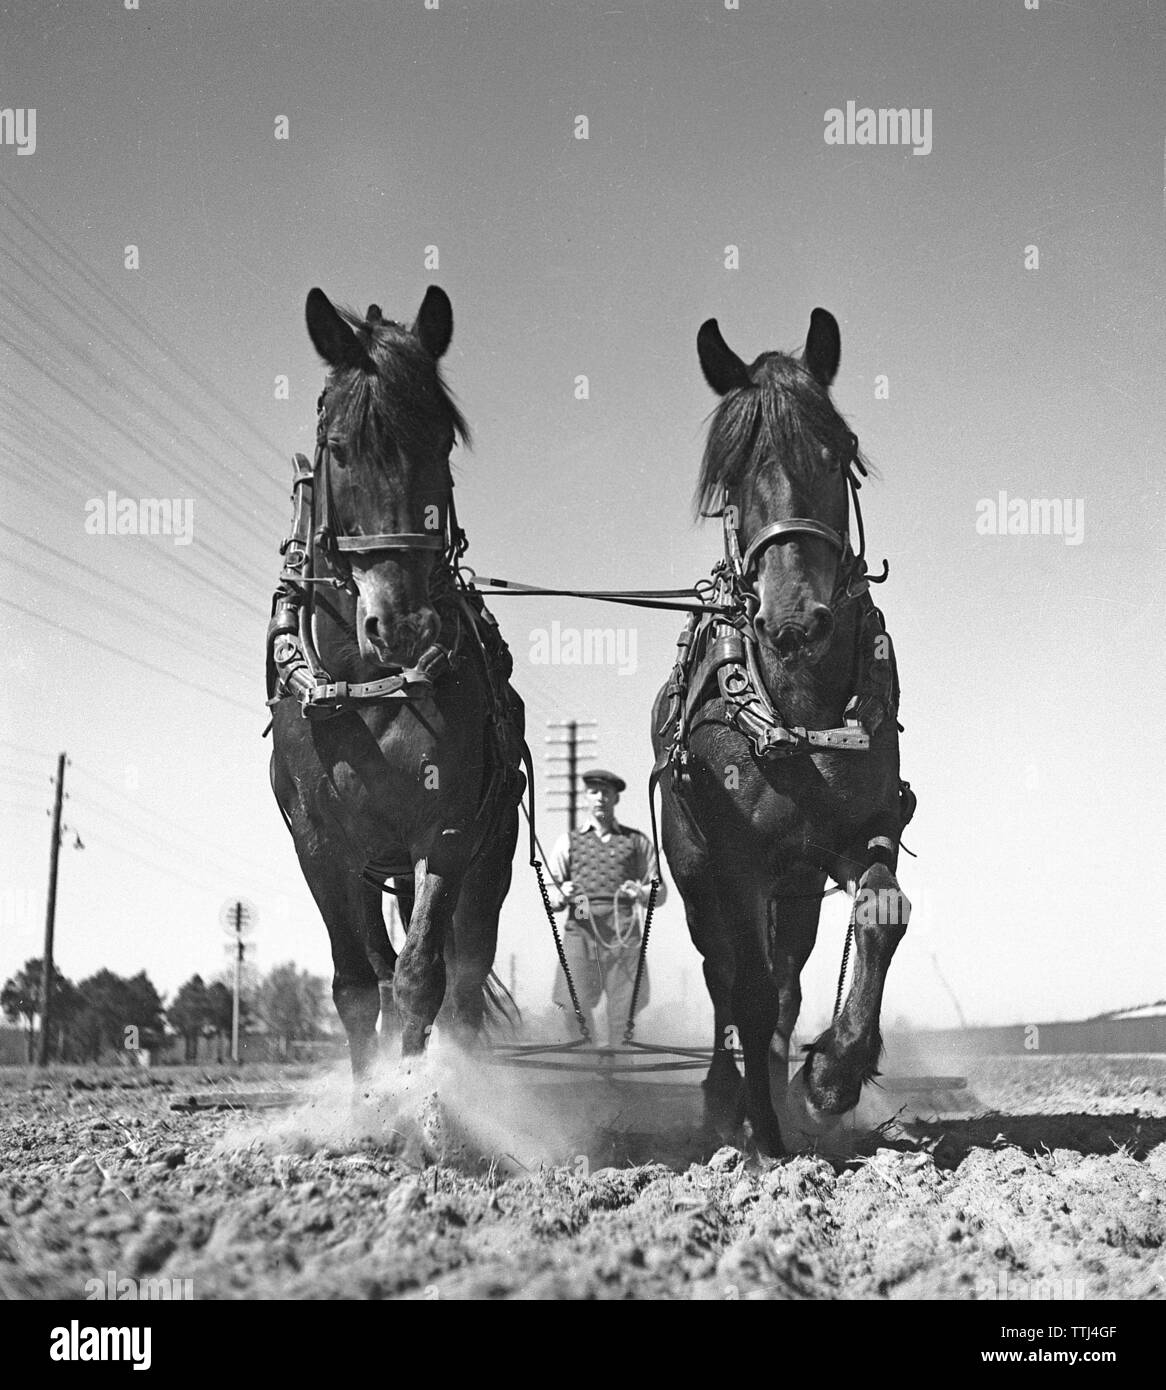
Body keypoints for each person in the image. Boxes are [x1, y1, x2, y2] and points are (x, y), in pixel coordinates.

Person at [546, 769, 666, 1047]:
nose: (600, 798)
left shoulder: (637, 842)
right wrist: (561, 894)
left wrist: (641, 892)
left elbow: (660, 893)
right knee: (571, 1001)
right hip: (580, 931)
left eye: (606, 793)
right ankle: (585, 1069)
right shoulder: (568, 842)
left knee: (623, 1012)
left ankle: (618, 1073)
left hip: (623, 934)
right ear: (586, 797)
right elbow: (550, 894)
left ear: (615, 799)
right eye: (594, 792)